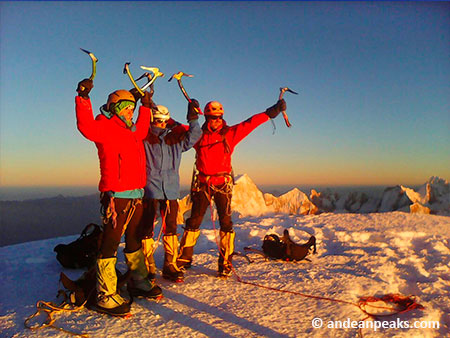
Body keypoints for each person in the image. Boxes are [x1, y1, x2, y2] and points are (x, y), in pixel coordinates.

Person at [75, 78, 162, 316]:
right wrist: (83, 98)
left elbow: (143, 128)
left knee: (134, 240)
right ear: (114, 108)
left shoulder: (132, 131)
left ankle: (138, 281)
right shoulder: (103, 127)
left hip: (136, 195)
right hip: (116, 196)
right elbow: (85, 127)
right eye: (126, 108)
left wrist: (144, 106)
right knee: (110, 243)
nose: (129, 113)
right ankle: (105, 294)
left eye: (131, 109)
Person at [177, 98, 286, 277]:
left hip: (222, 184)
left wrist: (270, 112)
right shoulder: (198, 135)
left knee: (226, 223)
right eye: (213, 117)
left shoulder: (230, 133)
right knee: (194, 220)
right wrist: (162, 115)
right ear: (206, 118)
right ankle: (184, 257)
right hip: (203, 184)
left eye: (219, 117)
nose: (216, 120)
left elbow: (249, 124)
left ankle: (225, 261)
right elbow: (181, 128)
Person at [141, 101, 201, 283]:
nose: (160, 124)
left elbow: (195, 135)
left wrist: (193, 119)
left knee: (169, 227)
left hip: (168, 190)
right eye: (158, 120)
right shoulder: (146, 136)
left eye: (162, 121)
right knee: (149, 228)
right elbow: (194, 135)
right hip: (152, 189)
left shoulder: (173, 138)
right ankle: (151, 264)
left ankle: (167, 263)